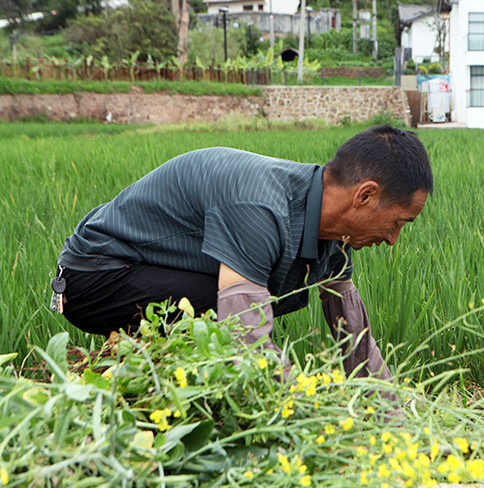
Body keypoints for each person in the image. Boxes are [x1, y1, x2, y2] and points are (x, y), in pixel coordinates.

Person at [51, 124, 434, 381]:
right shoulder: (260, 206)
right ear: (365, 195)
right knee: (234, 311)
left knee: (240, 309)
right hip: (95, 278)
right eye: (397, 222)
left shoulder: (333, 235)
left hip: (151, 278)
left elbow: (354, 337)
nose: (393, 240)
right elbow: (244, 332)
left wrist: (390, 412)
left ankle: (145, 370)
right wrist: (306, 413)